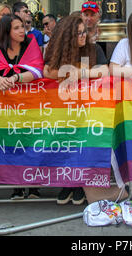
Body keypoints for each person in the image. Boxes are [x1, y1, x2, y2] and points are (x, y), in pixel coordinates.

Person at [43, 14, 109, 205]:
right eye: (78, 33)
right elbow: (48, 71)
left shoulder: (94, 48)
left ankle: (81, 185)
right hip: (62, 107)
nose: (82, 37)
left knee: (83, 144)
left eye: (84, 32)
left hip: (88, 107)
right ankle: (68, 184)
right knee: (66, 144)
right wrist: (71, 72)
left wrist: (79, 73)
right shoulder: (55, 50)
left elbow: (104, 70)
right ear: (67, 35)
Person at [0, 14, 44, 199]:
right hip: (6, 106)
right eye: (16, 28)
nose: (22, 31)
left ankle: (34, 186)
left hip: (30, 105)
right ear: (6, 31)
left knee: (31, 143)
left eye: (22, 27)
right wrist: (0, 80)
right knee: (12, 144)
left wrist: (16, 77)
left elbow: (37, 70)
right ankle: (16, 187)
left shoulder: (31, 43)